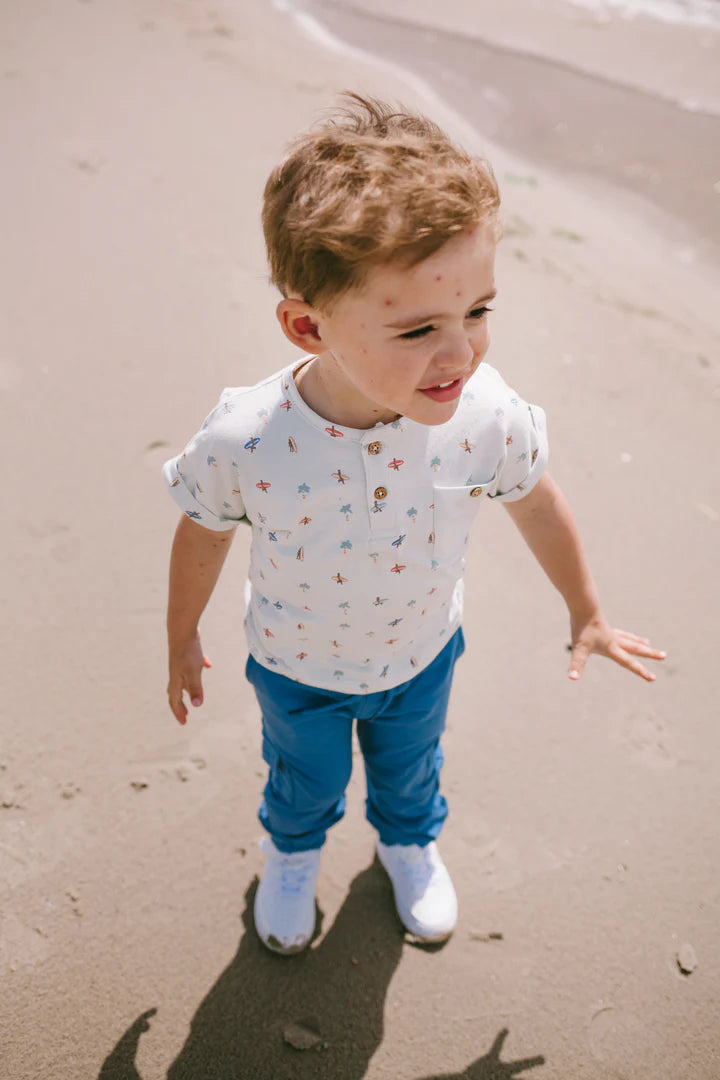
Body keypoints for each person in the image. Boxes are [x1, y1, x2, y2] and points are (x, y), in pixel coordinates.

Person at [163, 94, 664, 955]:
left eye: (478, 312)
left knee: (410, 771)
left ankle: (406, 844)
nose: (462, 353)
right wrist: (181, 634)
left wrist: (585, 608)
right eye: (420, 328)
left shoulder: (484, 412)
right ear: (307, 324)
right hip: (296, 665)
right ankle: (291, 855)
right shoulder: (248, 438)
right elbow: (204, 528)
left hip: (422, 651)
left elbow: (536, 500)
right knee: (302, 780)